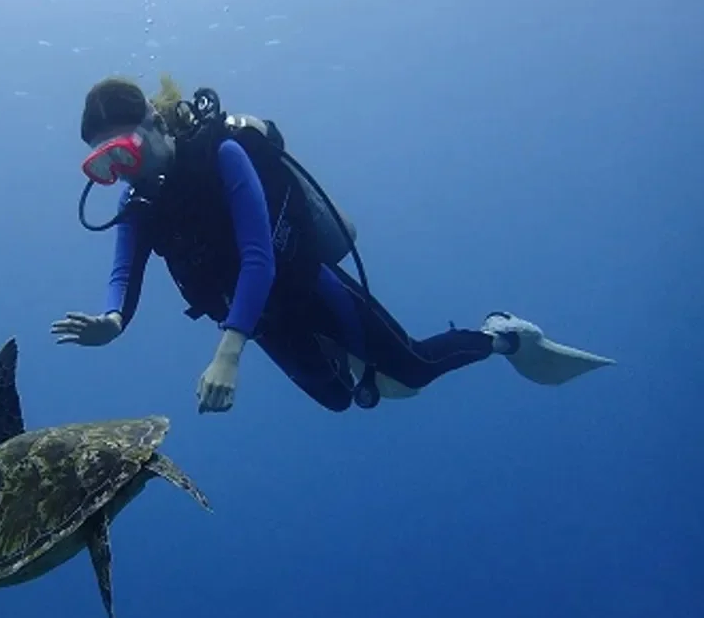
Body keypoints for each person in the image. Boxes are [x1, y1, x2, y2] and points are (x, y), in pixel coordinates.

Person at [51, 75, 615, 414]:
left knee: (412, 371)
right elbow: (122, 277)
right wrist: (112, 321)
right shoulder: (138, 206)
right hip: (260, 322)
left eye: (121, 151)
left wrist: (228, 355)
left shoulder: (221, 154)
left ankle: (504, 336)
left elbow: (258, 258)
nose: (120, 172)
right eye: (102, 165)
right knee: (344, 400)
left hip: (302, 283)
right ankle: (360, 361)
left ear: (153, 123)